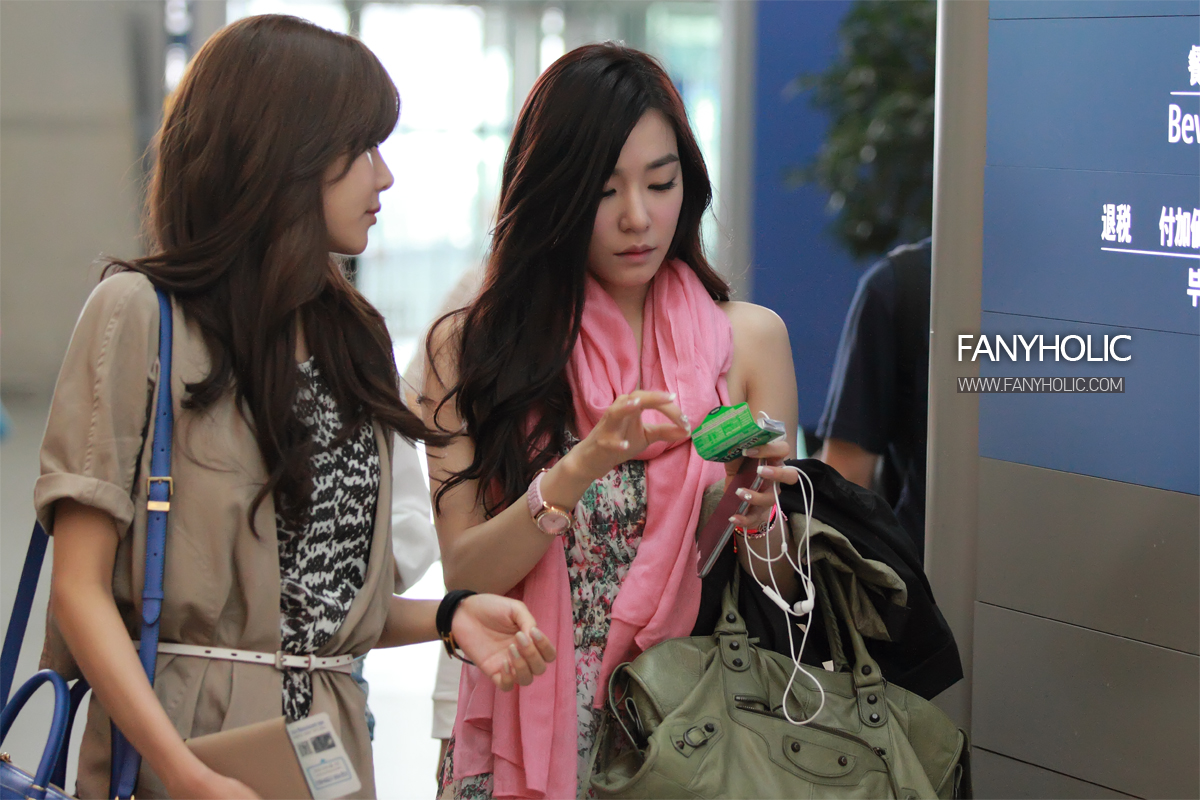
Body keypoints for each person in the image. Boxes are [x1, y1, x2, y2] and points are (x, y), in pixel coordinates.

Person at [36, 16, 553, 800]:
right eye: (363, 148)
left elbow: (319, 611)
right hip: (183, 752)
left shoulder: (355, 338)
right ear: (286, 151)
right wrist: (185, 773)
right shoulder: (141, 314)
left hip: (329, 753)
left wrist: (448, 617)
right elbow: (78, 590)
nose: (385, 177)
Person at [422, 43, 801, 800]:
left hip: (685, 749)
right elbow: (465, 576)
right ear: (555, 195)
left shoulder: (749, 341)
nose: (638, 217)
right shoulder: (473, 349)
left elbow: (778, 591)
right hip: (519, 749)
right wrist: (581, 466)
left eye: (660, 184)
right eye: (604, 191)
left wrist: (760, 516)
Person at [815, 238, 932, 553]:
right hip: (925, 569)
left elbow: (846, 478)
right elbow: (846, 478)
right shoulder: (902, 284)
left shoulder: (901, 282)